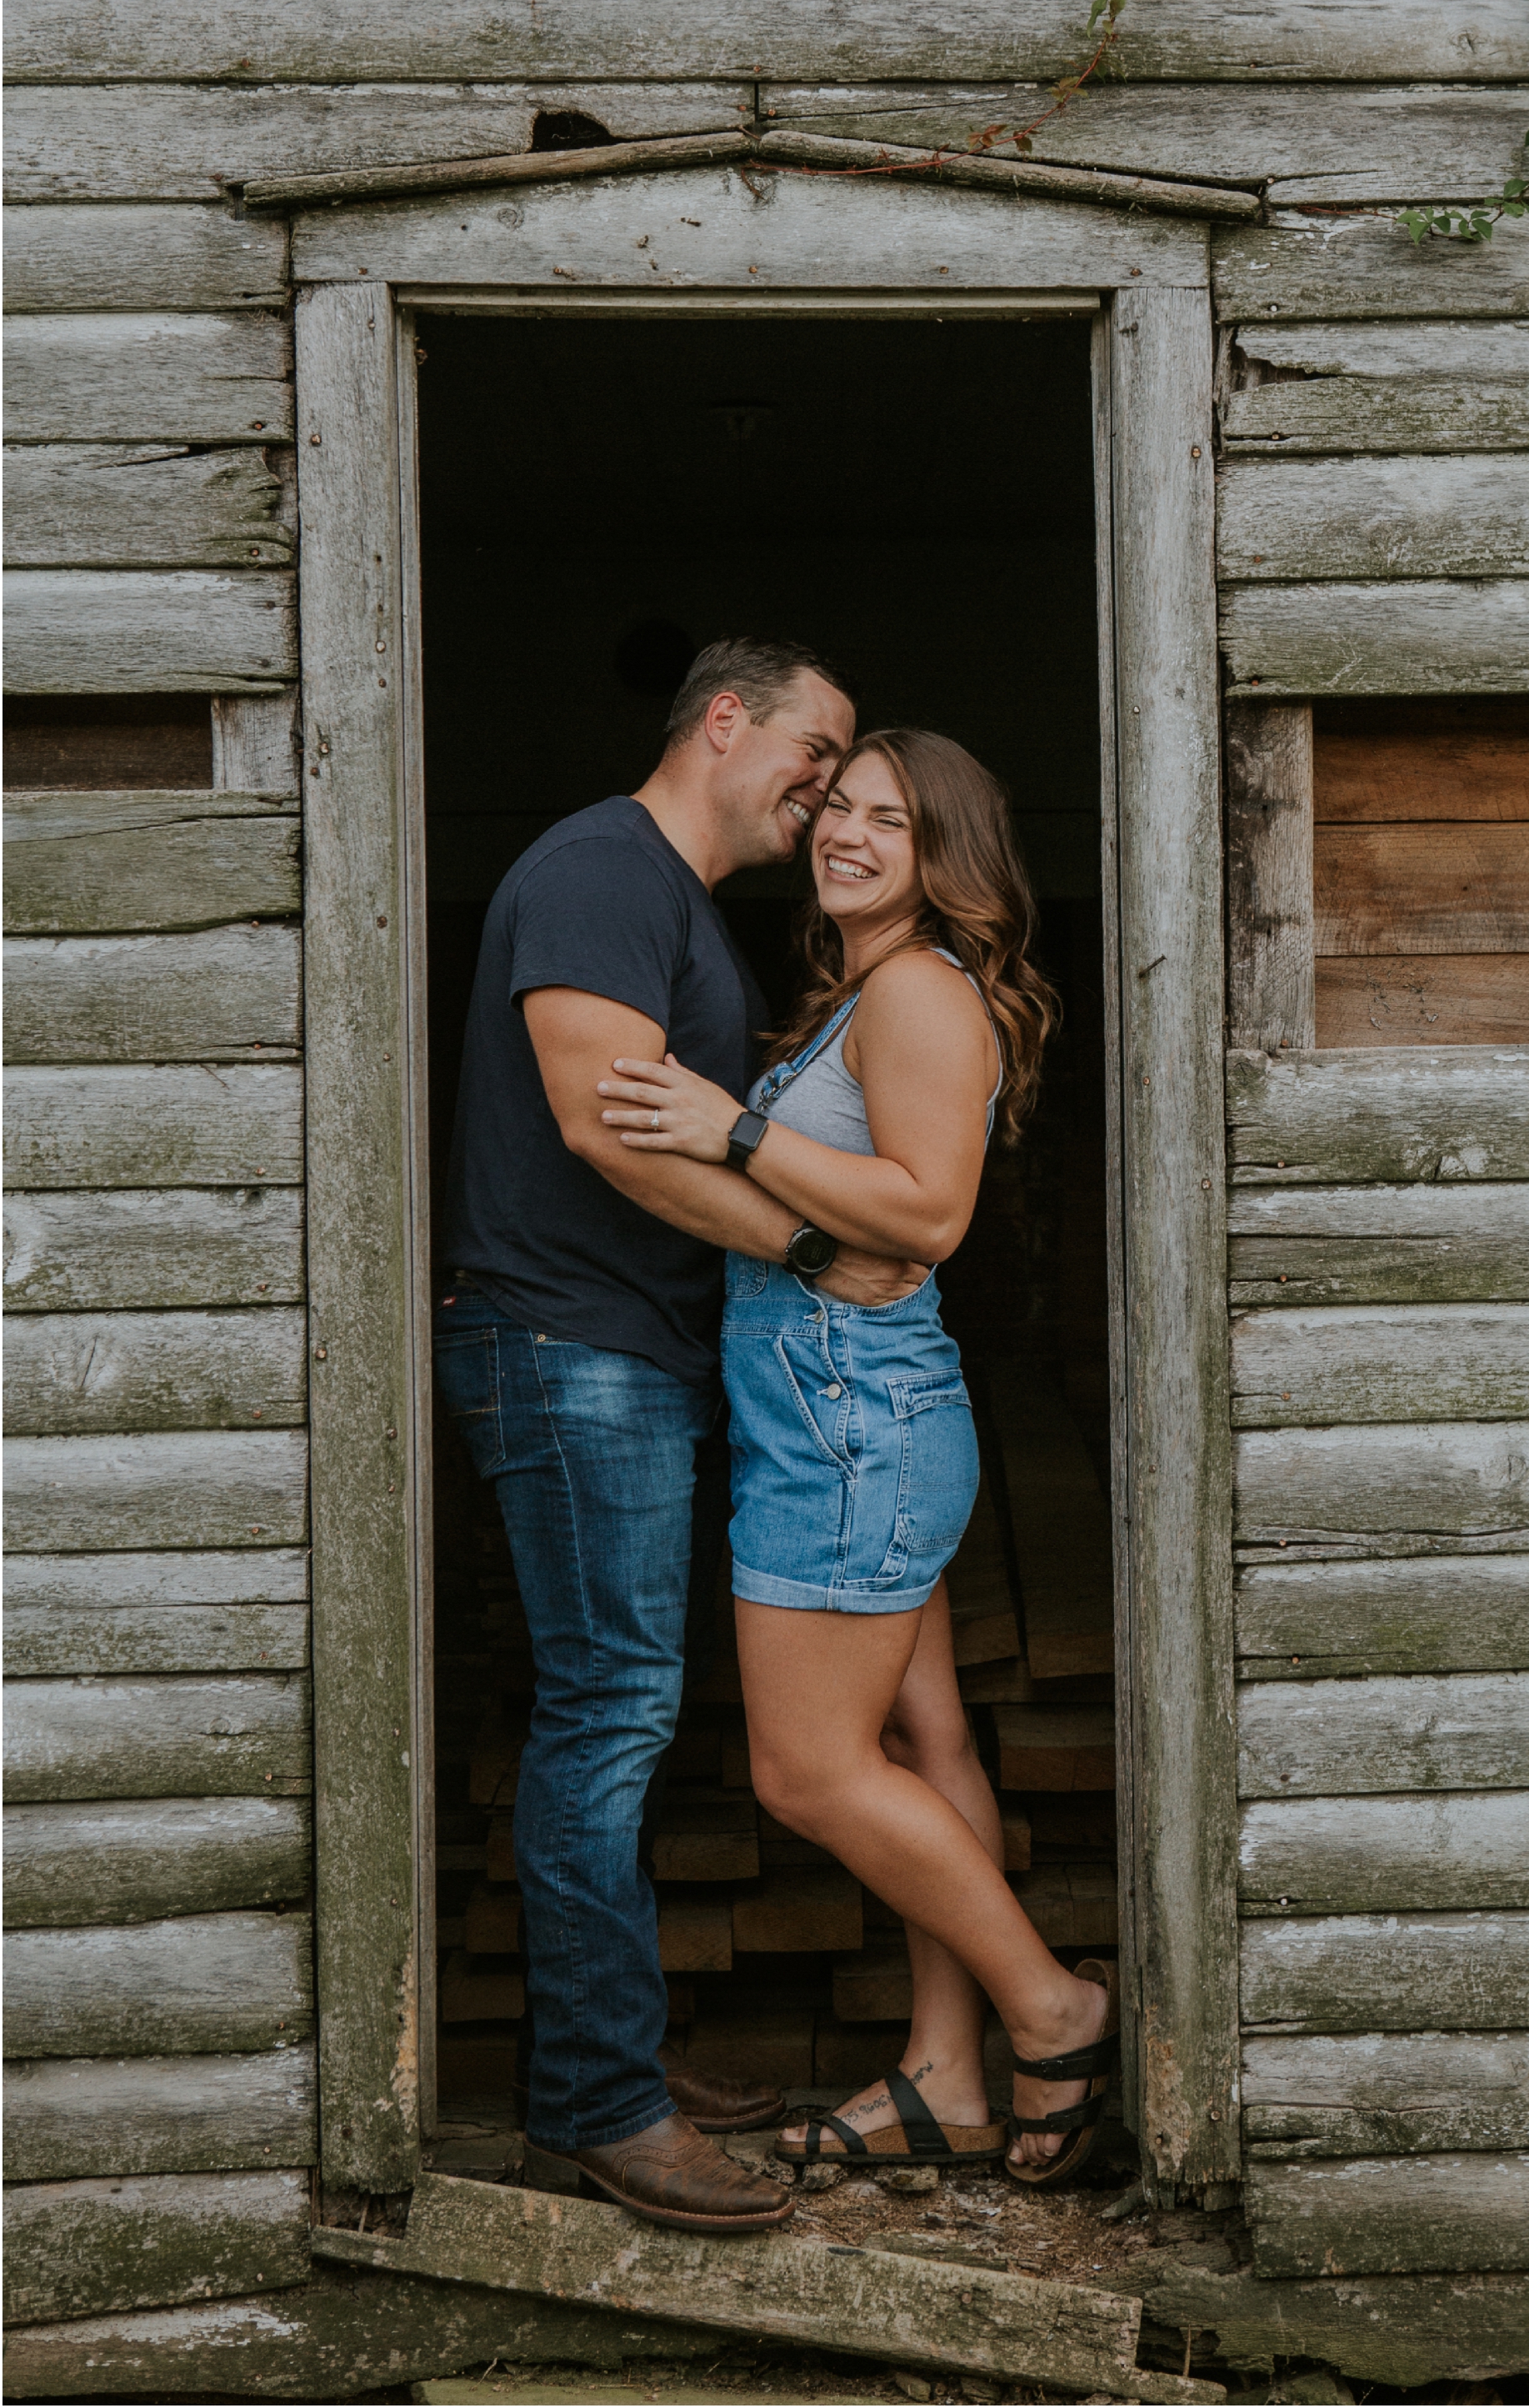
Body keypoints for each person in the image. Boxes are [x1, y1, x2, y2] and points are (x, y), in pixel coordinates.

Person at [436, 639, 922, 2234]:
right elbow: (600, 1119)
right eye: (818, 745)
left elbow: (676, 1123)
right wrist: (806, 1250)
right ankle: (599, 2103)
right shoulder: (598, 870)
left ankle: (615, 2051)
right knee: (610, 1716)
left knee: (619, 1713)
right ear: (729, 720)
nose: (829, 782)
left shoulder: (666, 898)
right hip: (571, 1351)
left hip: (623, 1357)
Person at [595, 729, 1117, 2190]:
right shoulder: (869, 991)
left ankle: (1052, 2011)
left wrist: (732, 1124)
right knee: (919, 1743)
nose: (846, 832)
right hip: (849, 1411)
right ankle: (947, 2077)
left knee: (810, 1771)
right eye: (837, 807)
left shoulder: (917, 988)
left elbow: (930, 1211)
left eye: (890, 819)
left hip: (849, 1423)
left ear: (945, 854)